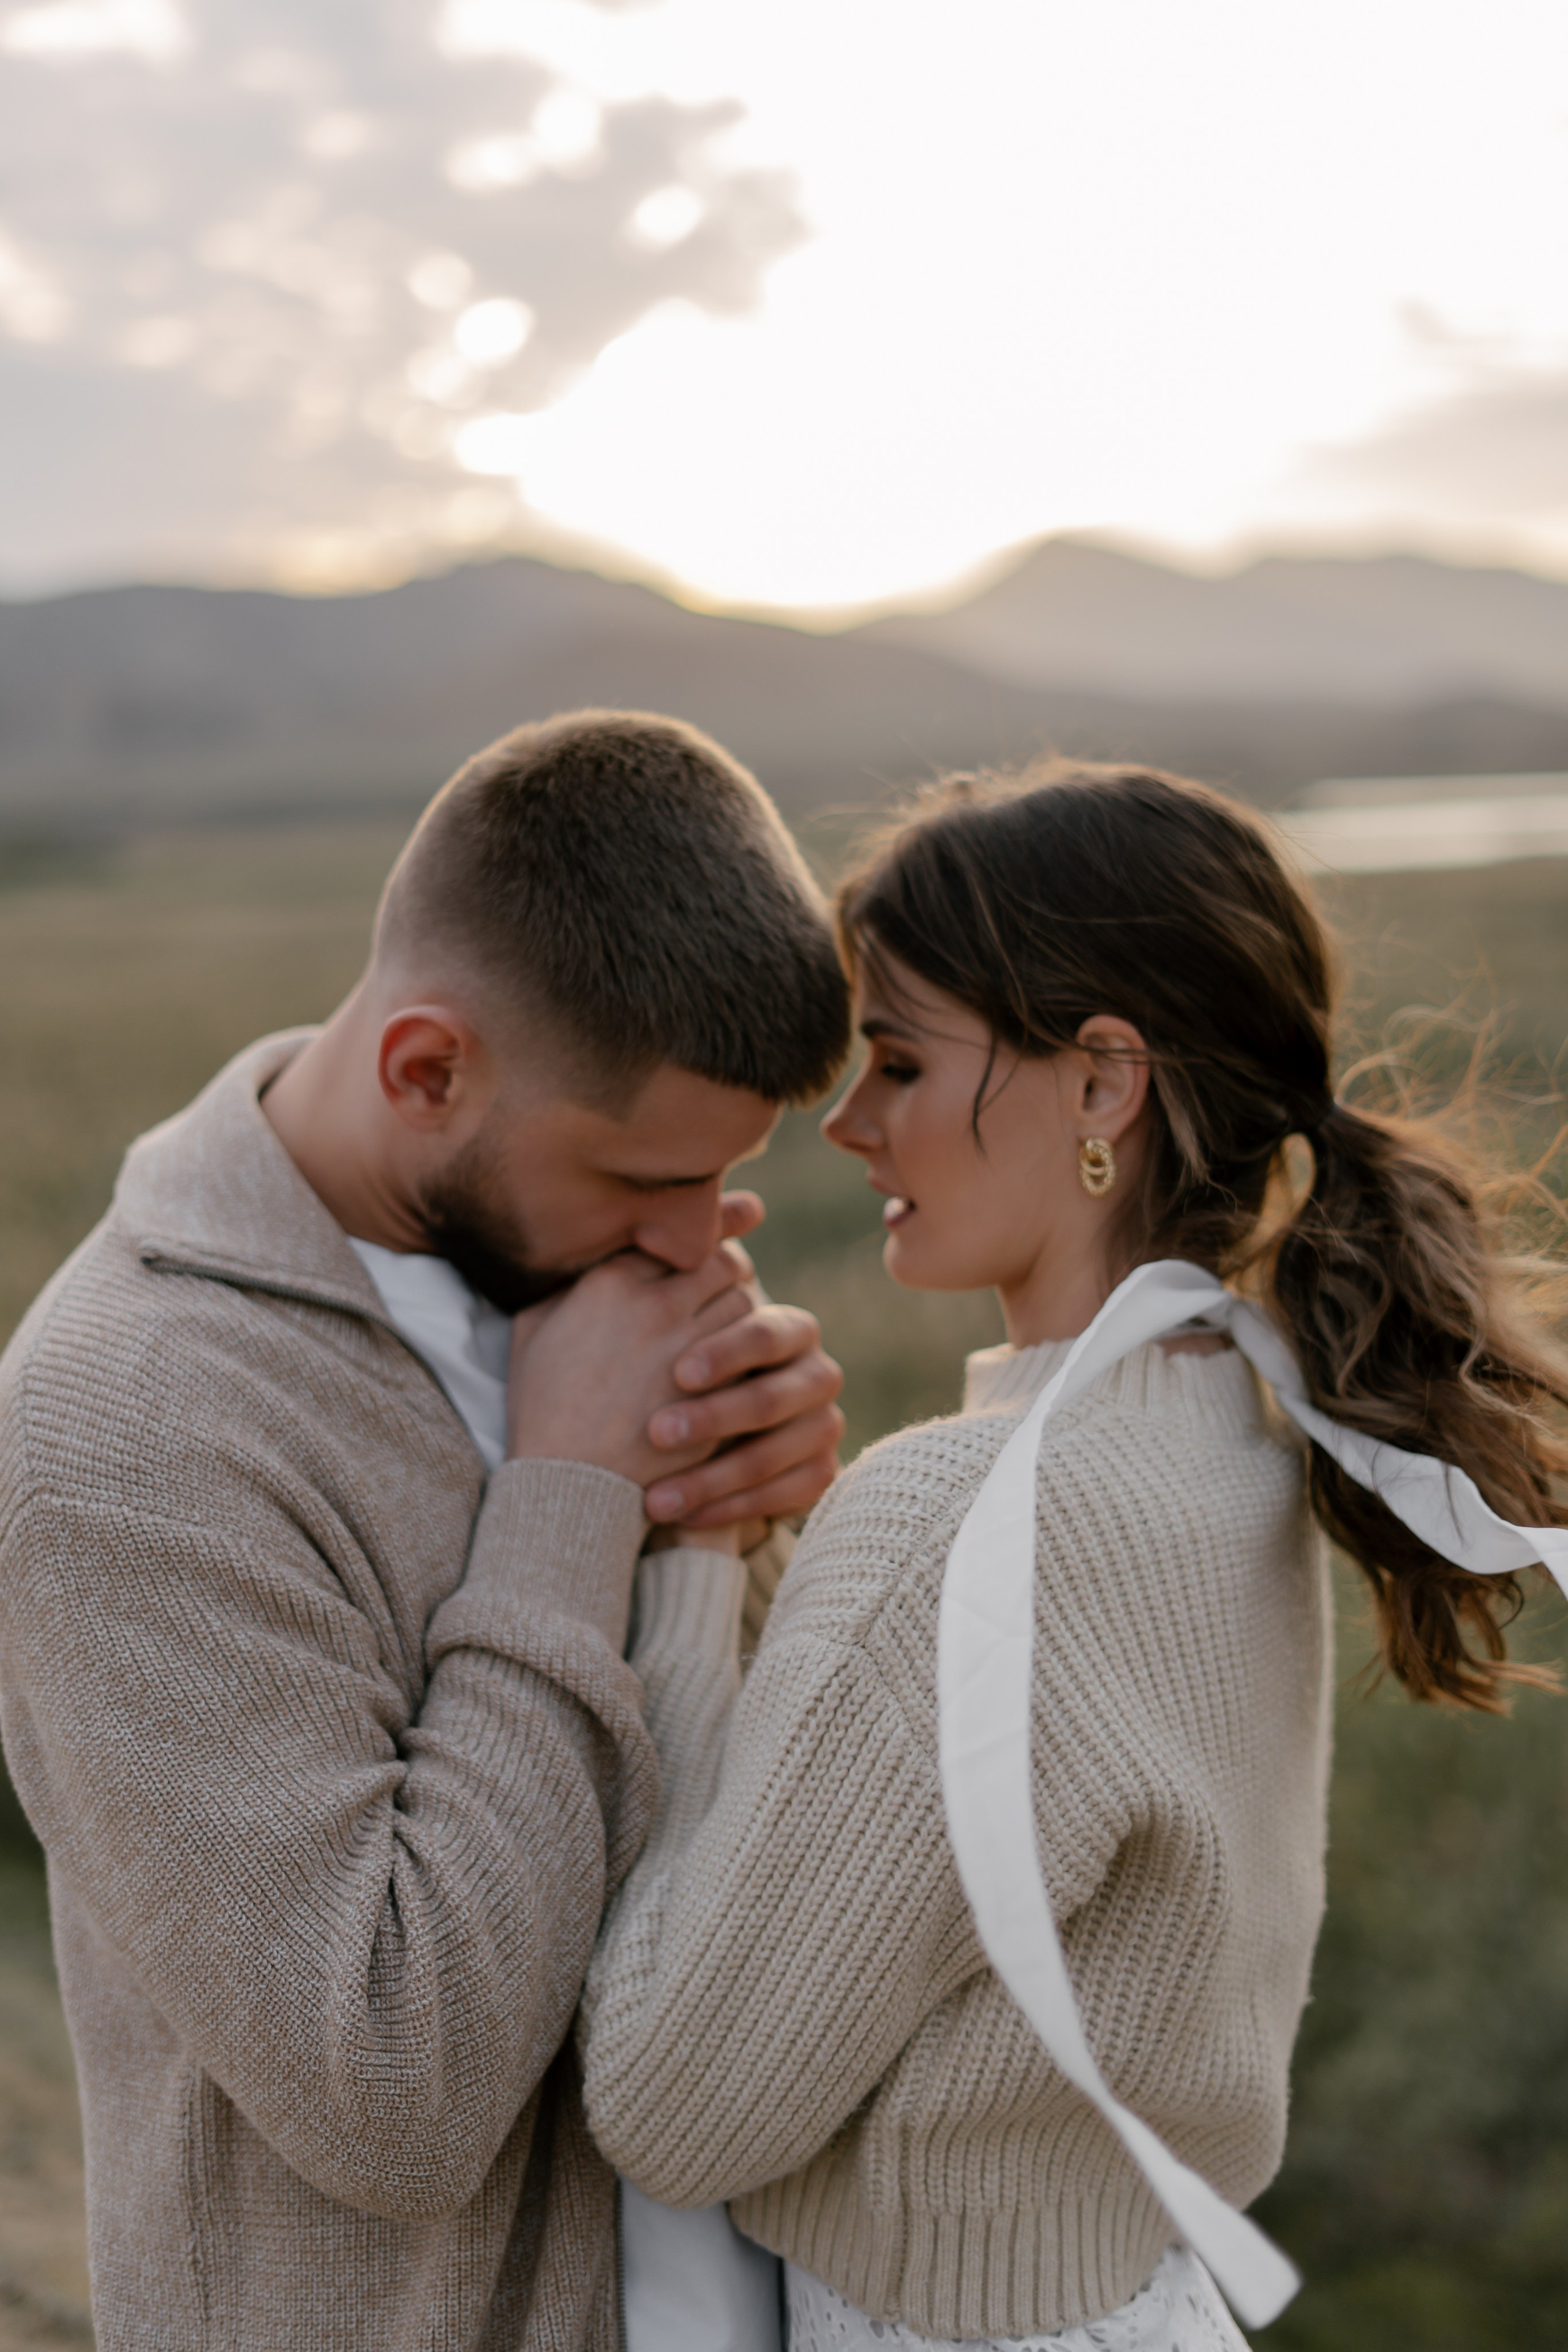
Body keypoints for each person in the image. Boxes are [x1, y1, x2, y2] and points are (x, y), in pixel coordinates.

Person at [578, 761, 1568, 2351]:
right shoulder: (1249, 1427)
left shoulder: (957, 1523)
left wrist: (692, 1555)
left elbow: (668, 2107)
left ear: (1105, 1085)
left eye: (899, 1061)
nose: (847, 1124)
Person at [0, 710, 852, 2352]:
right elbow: (394, 2087)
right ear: (426, 1070)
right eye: (641, 1176)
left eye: (725, 1177)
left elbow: (723, 1863)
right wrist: (577, 1495)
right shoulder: (123, 1433)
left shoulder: (568, 1276)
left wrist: (754, 1524)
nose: (697, 1240)